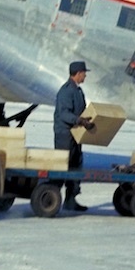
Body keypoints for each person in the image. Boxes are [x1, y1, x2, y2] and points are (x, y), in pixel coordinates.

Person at [54, 60, 96, 211]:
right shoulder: (66, 91)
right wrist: (79, 120)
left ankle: (71, 200)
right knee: (63, 166)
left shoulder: (78, 90)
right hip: (65, 135)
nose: (85, 76)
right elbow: (64, 114)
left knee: (75, 165)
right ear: (78, 73)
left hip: (76, 133)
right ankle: (50, 197)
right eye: (84, 73)